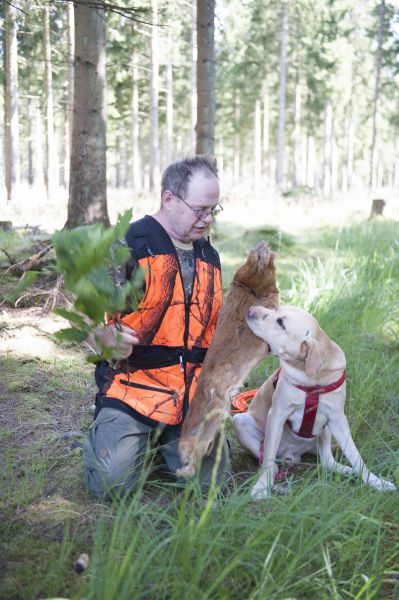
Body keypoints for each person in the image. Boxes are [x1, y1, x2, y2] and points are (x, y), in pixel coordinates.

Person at [83, 155, 232, 498]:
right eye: (200, 209)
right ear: (169, 199)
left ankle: (162, 443)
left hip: (190, 397)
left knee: (214, 486)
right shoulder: (128, 245)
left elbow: (209, 329)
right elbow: (87, 304)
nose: (208, 219)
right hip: (134, 389)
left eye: (214, 209)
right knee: (112, 485)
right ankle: (119, 435)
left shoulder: (209, 256)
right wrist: (101, 336)